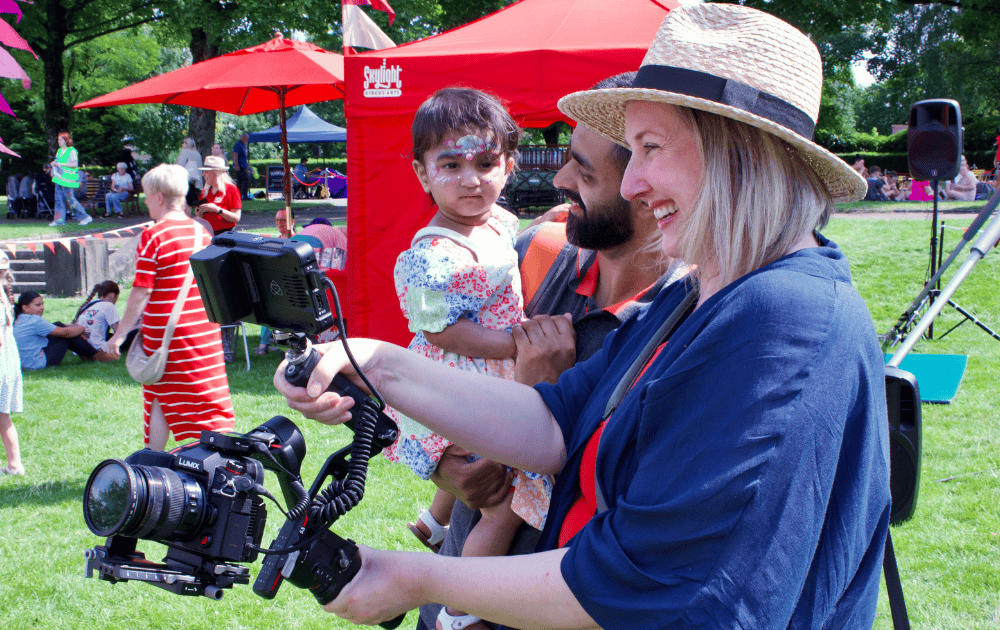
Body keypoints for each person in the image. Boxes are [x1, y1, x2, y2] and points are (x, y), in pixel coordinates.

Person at [276, 5, 890, 628]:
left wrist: (419, 576)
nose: (631, 185)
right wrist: (375, 363)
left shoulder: (784, 318)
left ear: (738, 155)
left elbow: (662, 587)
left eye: (650, 147)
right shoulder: (702, 290)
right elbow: (556, 423)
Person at [417, 72, 689, 630]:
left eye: (583, 171)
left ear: (644, 188)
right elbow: (441, 356)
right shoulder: (532, 253)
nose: (561, 177)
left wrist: (536, 391)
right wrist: (446, 462)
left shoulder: (685, 325)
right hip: (456, 586)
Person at [381, 87, 554, 630]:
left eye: (485, 163)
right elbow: (445, 331)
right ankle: (461, 610)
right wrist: (516, 344)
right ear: (422, 172)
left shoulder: (496, 224)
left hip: (481, 384)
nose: (470, 179)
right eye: (450, 165)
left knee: (475, 478)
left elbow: (514, 244)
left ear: (508, 165)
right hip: (462, 386)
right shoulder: (434, 255)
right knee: (504, 503)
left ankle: (434, 525)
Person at [104, 164, 235, 451]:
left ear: (160, 197)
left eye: (147, 195)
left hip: (164, 329)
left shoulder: (154, 235)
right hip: (202, 325)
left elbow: (141, 291)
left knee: (157, 392)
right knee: (206, 390)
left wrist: (120, 334)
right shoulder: (202, 233)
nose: (145, 201)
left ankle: (153, 459)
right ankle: (216, 451)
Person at [13, 292, 109, 368]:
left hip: (25, 364)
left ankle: (88, 355)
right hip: (37, 363)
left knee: (58, 325)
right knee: (66, 335)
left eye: (42, 304)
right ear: (25, 308)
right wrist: (82, 328)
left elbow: (54, 327)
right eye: (38, 305)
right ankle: (97, 356)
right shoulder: (34, 320)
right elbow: (65, 333)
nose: (42, 308)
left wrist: (74, 326)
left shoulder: (19, 318)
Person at [256, 208, 297, 355]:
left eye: (283, 219)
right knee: (266, 303)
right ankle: (265, 343)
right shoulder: (275, 241)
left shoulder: (297, 240)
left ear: (292, 221)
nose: (280, 223)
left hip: (291, 283)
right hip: (275, 283)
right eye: (277, 220)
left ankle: (275, 343)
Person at [0, 253, 24, 475]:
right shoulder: (4, 298)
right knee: (2, 416)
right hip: (8, 364)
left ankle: (15, 464)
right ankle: (14, 465)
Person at [50, 131, 92, 227]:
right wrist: (54, 163)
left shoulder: (72, 151)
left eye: (60, 139)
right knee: (58, 199)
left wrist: (60, 164)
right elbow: (57, 161)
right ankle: (59, 220)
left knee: (70, 199)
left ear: (66, 140)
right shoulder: (59, 151)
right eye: (58, 139)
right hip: (59, 178)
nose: (58, 141)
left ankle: (84, 217)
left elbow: (74, 164)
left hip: (68, 179)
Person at [194, 155, 242, 235]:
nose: (203, 174)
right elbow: (203, 218)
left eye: (206, 171)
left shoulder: (231, 189)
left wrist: (218, 210)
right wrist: (199, 214)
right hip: (208, 233)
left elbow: (236, 218)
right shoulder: (204, 191)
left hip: (227, 235)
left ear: (215, 173)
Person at [74, 281, 122, 345]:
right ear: (112, 295)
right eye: (116, 298)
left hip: (79, 348)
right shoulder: (108, 306)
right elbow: (118, 332)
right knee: (132, 333)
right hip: (97, 347)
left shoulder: (88, 305)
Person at [232, 133, 251, 199]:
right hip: (240, 166)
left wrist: (247, 164)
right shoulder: (238, 144)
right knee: (246, 179)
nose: (247, 140)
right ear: (242, 138)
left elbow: (243, 157)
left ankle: (240, 195)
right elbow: (235, 154)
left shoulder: (243, 145)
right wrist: (236, 164)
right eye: (246, 138)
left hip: (243, 166)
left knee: (241, 181)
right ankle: (243, 195)